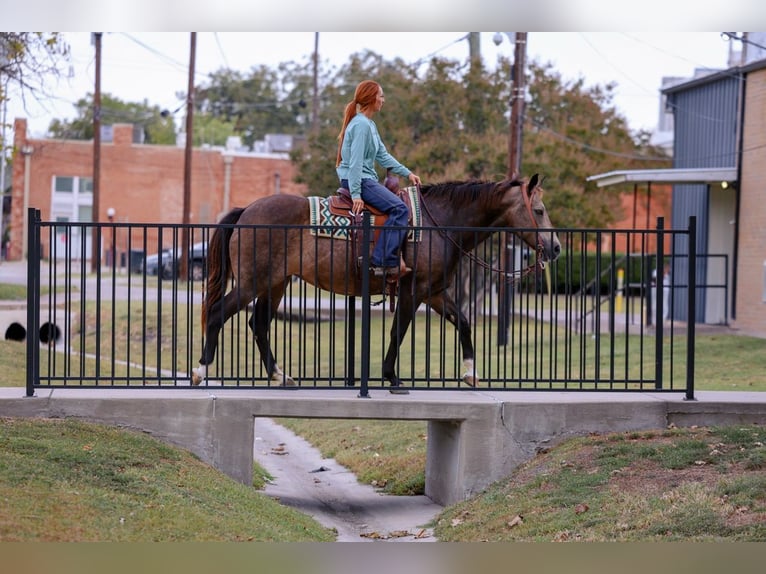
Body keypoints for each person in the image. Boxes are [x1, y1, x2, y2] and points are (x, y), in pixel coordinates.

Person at [335, 80, 421, 277]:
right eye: (381, 96)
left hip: (364, 178)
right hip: (360, 180)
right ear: (371, 98)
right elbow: (355, 162)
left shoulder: (369, 125)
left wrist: (408, 173)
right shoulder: (361, 126)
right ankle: (382, 261)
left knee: (397, 207)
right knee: (400, 209)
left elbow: (383, 156)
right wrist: (356, 193)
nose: (383, 100)